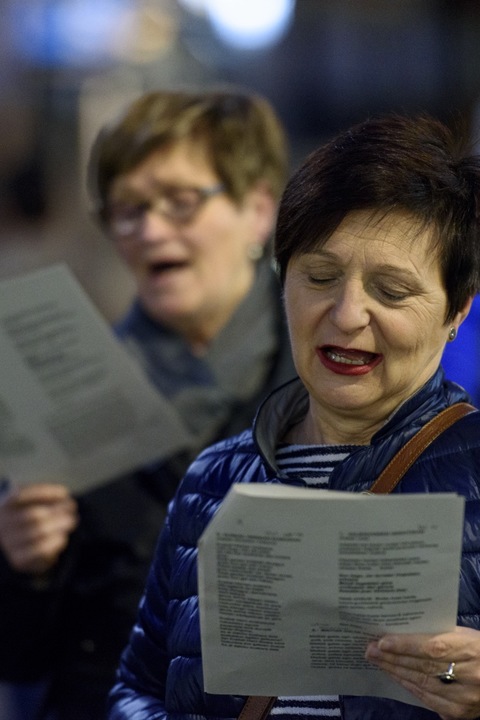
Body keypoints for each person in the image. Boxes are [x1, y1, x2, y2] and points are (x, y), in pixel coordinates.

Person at [107, 113, 480, 720]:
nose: (347, 313)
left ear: (456, 311)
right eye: (320, 277)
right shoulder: (212, 481)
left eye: (391, 291)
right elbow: (137, 688)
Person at [0, 88, 295, 720]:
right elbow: (19, 661)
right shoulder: (62, 389)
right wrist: (25, 566)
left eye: (181, 202)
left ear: (257, 210)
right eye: (127, 209)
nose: (150, 230)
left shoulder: (331, 378)